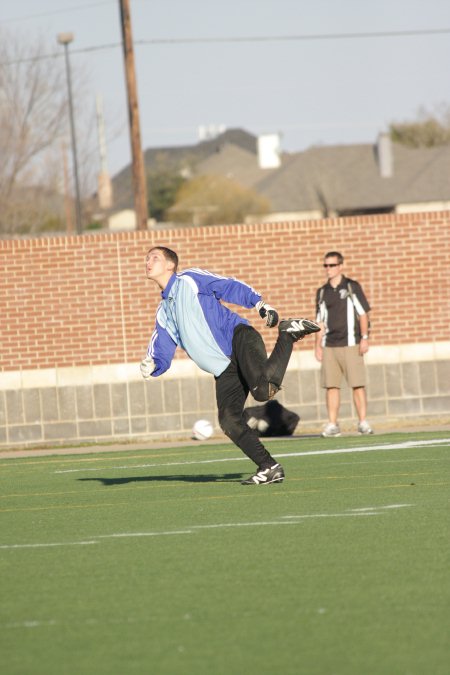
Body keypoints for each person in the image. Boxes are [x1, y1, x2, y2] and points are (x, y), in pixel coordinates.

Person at [140, 246, 320, 485]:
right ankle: (269, 467)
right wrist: (154, 365)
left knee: (263, 391)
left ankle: (287, 334)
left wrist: (259, 304)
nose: (148, 261)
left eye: (155, 257)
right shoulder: (164, 311)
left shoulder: (189, 279)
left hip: (239, 338)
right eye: (147, 258)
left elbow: (227, 285)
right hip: (223, 368)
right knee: (228, 420)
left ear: (171, 265)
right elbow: (162, 346)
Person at [314, 251, 373, 437]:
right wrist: (318, 345)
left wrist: (364, 337)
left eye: (331, 265)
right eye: (326, 265)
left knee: (357, 384)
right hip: (330, 345)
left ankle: (363, 422)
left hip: (351, 343)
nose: (328, 269)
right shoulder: (322, 292)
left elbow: (363, 314)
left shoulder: (351, 287)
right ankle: (333, 424)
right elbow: (320, 321)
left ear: (340, 266)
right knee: (331, 386)